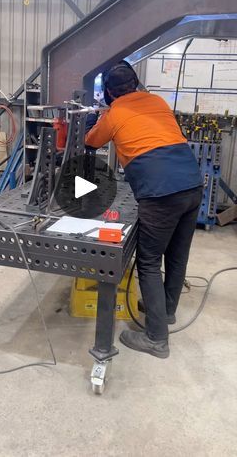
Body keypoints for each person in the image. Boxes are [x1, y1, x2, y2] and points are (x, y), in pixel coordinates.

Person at [85, 61, 203, 359]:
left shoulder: (114, 113)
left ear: (109, 93)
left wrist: (92, 123)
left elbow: (92, 141)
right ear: (136, 83)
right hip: (191, 184)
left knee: (148, 262)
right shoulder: (157, 101)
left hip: (160, 193)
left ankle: (156, 339)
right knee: (177, 254)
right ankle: (166, 312)